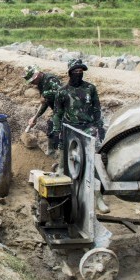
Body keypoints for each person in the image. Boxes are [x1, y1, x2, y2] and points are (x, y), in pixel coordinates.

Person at [53, 59, 108, 212]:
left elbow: (97, 109)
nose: (78, 73)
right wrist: (57, 131)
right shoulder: (62, 92)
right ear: (70, 72)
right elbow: (57, 114)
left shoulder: (90, 89)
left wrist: (99, 127)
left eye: (81, 71)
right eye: (75, 71)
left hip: (87, 129)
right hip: (69, 129)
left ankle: (98, 198)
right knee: (64, 165)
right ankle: (64, 199)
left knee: (93, 161)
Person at [23, 65, 62, 156]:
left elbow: (62, 91)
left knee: (53, 125)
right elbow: (45, 102)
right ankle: (53, 152)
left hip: (66, 109)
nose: (32, 83)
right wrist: (35, 117)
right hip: (57, 110)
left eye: (33, 80)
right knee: (51, 125)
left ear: (37, 74)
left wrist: (46, 93)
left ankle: (56, 153)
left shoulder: (50, 79)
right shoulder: (40, 83)